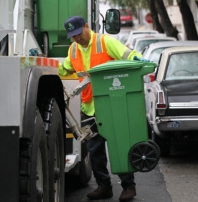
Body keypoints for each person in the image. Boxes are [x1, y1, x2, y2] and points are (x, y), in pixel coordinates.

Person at [58, 16, 149, 201]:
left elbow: (126, 54)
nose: (76, 38)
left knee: (120, 145)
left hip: (110, 105)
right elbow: (64, 68)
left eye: (78, 33)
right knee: (94, 151)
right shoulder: (73, 49)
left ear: (86, 27)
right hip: (88, 106)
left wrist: (136, 58)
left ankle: (128, 187)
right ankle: (104, 186)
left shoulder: (104, 41)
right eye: (72, 36)